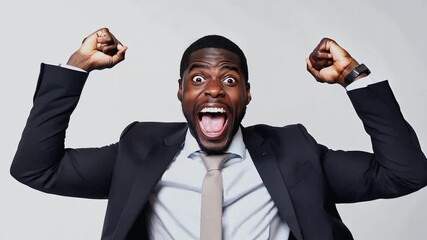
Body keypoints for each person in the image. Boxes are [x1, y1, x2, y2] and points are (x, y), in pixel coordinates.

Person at [11, 28, 427, 240]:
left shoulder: (294, 150)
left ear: (247, 95)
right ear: (180, 92)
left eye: (229, 80)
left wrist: (354, 77)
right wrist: (76, 68)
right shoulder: (139, 149)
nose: (212, 89)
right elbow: (36, 170)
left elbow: (404, 174)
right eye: (198, 79)